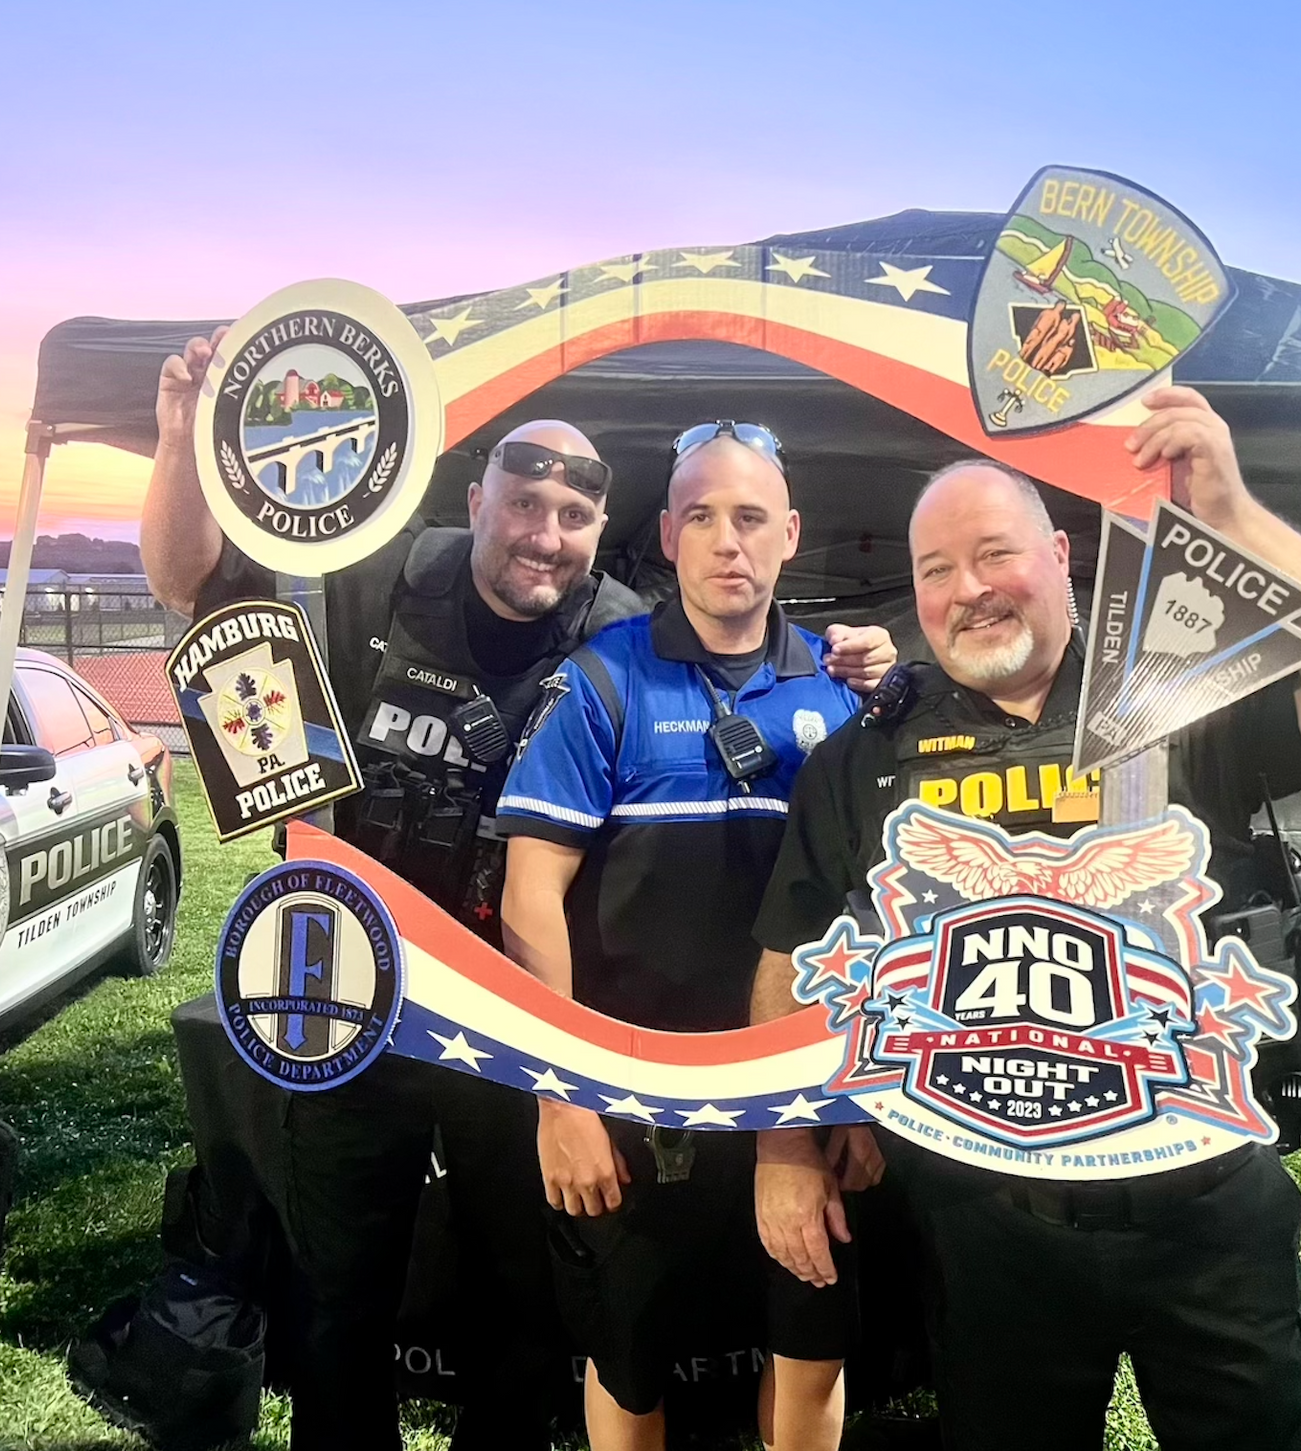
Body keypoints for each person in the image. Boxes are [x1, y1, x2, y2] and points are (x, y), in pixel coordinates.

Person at [142, 335, 895, 1450]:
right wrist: (180, 441)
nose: (544, 534)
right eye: (523, 504)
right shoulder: (378, 575)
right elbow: (190, 585)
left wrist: (858, 660)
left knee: (526, 1300)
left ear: (603, 532)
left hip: (508, 1014)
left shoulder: (611, 629)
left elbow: (738, 633)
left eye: (573, 516)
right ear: (475, 500)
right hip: (349, 994)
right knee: (339, 1291)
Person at [748, 386, 1301, 1451]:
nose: (969, 589)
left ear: (1061, 555)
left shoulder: (1176, 691)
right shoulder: (868, 752)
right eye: (936, 570)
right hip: (990, 1222)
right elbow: (789, 951)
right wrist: (782, 1146)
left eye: (995, 554)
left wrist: (1234, 516)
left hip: (1205, 1202)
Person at [497, 421, 891, 1451]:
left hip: (798, 1101)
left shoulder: (844, 691)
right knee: (629, 1362)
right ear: (669, 535)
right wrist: (560, 1093)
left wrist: (858, 1090)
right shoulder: (601, 681)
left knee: (808, 1345)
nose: (728, 540)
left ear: (790, 534)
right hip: (632, 1104)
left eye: (751, 516)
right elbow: (530, 893)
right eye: (702, 516)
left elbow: (880, 904)